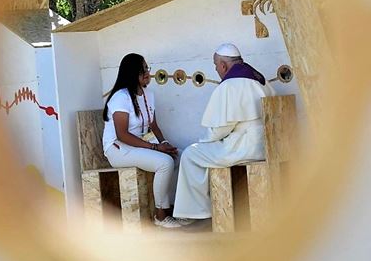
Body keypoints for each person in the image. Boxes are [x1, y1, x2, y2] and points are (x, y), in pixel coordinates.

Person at [173, 43, 271, 223]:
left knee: (190, 154)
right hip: (266, 145)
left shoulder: (229, 85)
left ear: (223, 65)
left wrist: (205, 140)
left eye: (216, 65)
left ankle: (194, 213)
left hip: (243, 147)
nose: (217, 70)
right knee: (201, 153)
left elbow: (220, 129)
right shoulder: (259, 80)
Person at [102, 53, 181, 228]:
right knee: (165, 163)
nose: (147, 73)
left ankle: (177, 209)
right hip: (118, 148)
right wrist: (155, 147)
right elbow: (122, 134)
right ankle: (161, 215)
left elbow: (154, 125)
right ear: (131, 74)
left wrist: (165, 143)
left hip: (138, 144)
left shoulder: (148, 94)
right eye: (142, 70)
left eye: (147, 68)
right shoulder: (120, 97)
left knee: (179, 156)